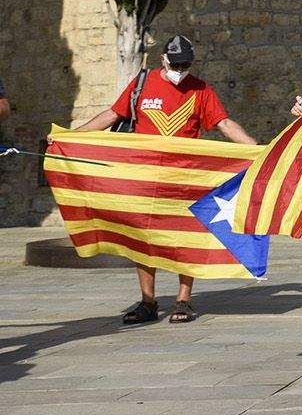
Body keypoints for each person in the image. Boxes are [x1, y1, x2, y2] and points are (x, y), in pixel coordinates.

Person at [77, 35, 257, 324]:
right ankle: (148, 301)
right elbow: (113, 114)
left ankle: (183, 300)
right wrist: (73, 136)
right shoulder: (142, 84)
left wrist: (257, 149)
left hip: (185, 178)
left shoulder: (200, 89)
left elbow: (224, 123)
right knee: (143, 237)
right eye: (176, 64)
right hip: (144, 178)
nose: (180, 69)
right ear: (163, 59)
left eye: (185, 64)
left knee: (185, 236)